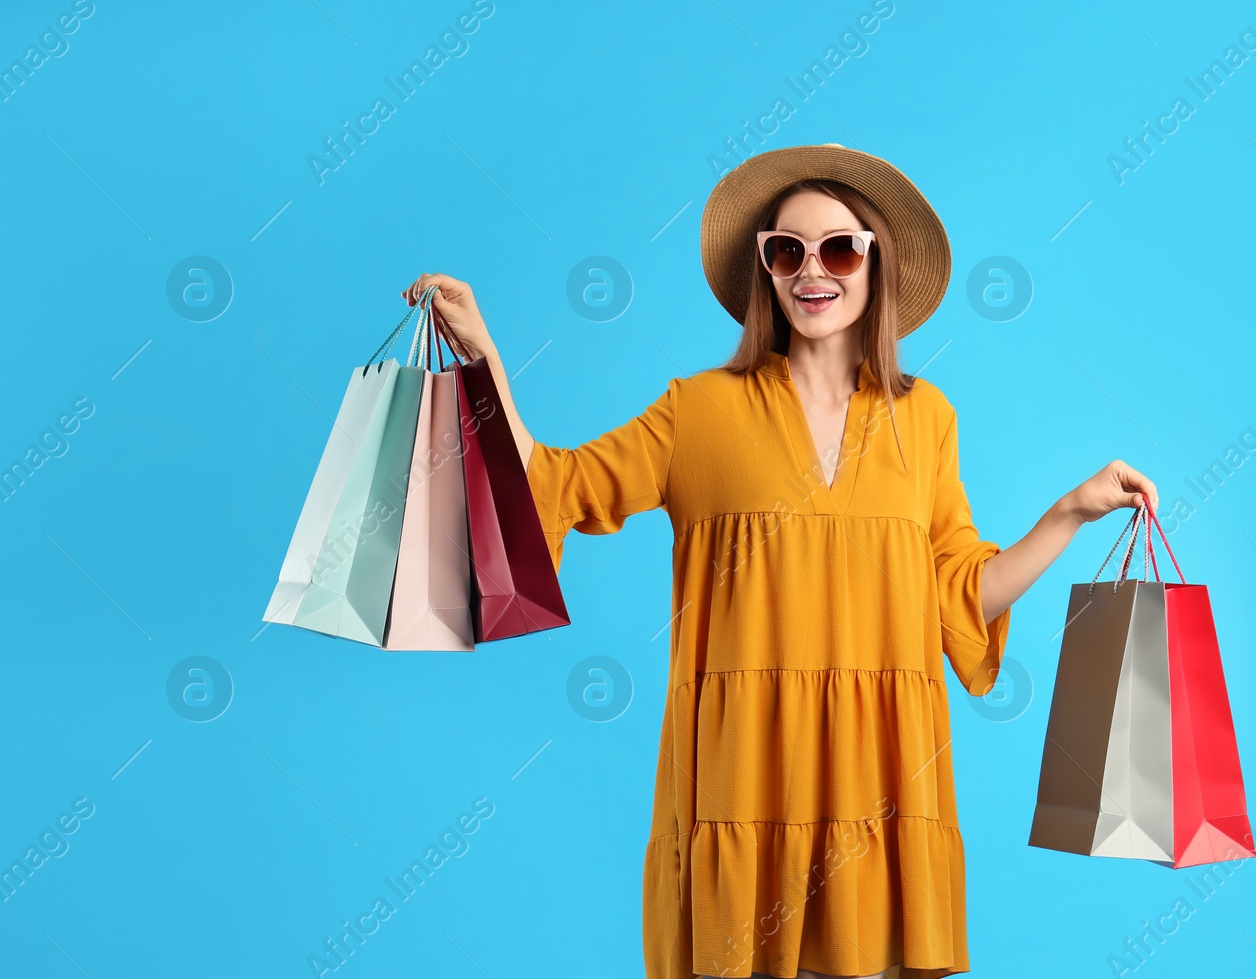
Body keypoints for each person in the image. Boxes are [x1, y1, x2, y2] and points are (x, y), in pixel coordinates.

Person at [404, 144, 1158, 979]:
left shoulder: (926, 419)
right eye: (786, 249)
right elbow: (554, 485)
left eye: (838, 248)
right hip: (743, 780)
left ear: (876, 264)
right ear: (764, 267)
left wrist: (1069, 514)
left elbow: (959, 595)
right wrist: (484, 359)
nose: (812, 271)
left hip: (877, 781)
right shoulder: (699, 411)